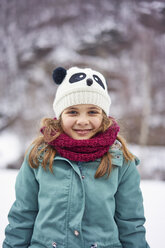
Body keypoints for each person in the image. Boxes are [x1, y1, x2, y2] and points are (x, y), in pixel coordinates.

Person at [3, 66, 150, 248]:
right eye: (72, 112)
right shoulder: (39, 156)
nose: (82, 121)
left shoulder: (121, 161)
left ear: (103, 116)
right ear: (60, 115)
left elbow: (131, 224)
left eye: (92, 112)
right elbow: (22, 216)